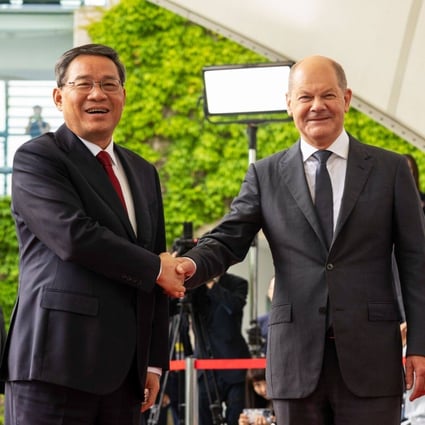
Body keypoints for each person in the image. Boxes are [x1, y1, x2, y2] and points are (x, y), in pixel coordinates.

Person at [171, 55, 425, 425]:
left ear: (347, 99)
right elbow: (228, 240)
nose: (317, 106)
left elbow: (416, 261)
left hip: (372, 360)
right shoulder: (265, 174)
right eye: (305, 97)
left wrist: (420, 343)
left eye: (328, 95)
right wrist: (188, 265)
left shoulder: (390, 170)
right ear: (288, 103)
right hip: (295, 362)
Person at [0, 43, 185, 425]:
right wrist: (155, 268)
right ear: (58, 96)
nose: (98, 94)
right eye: (83, 84)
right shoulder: (38, 158)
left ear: (122, 95)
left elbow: (158, 263)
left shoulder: (143, 172)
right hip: (54, 366)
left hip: (125, 377)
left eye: (109, 84)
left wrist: (152, 362)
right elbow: (74, 237)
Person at [190, 272, 251, 425]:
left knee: (236, 418)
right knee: (203, 418)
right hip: (205, 363)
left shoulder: (238, 283)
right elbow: (173, 307)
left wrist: (211, 284)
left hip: (234, 363)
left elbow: (234, 306)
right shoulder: (193, 286)